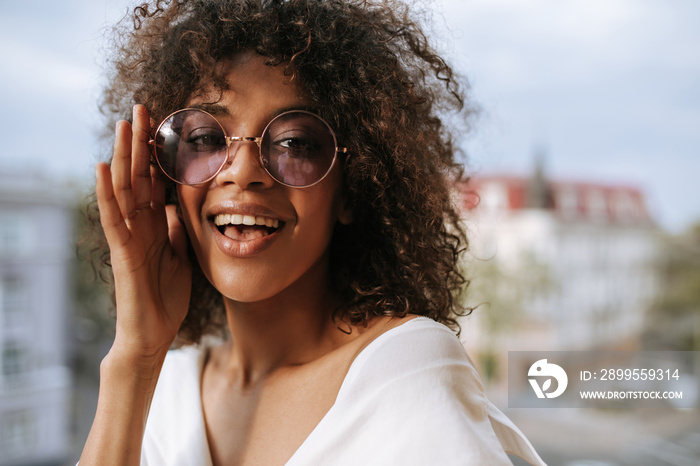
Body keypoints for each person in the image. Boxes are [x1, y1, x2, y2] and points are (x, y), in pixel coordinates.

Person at [79, 0, 546, 464]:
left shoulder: (403, 371)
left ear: (352, 188)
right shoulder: (165, 390)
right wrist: (135, 358)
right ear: (168, 179)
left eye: (294, 143)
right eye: (204, 139)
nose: (242, 172)